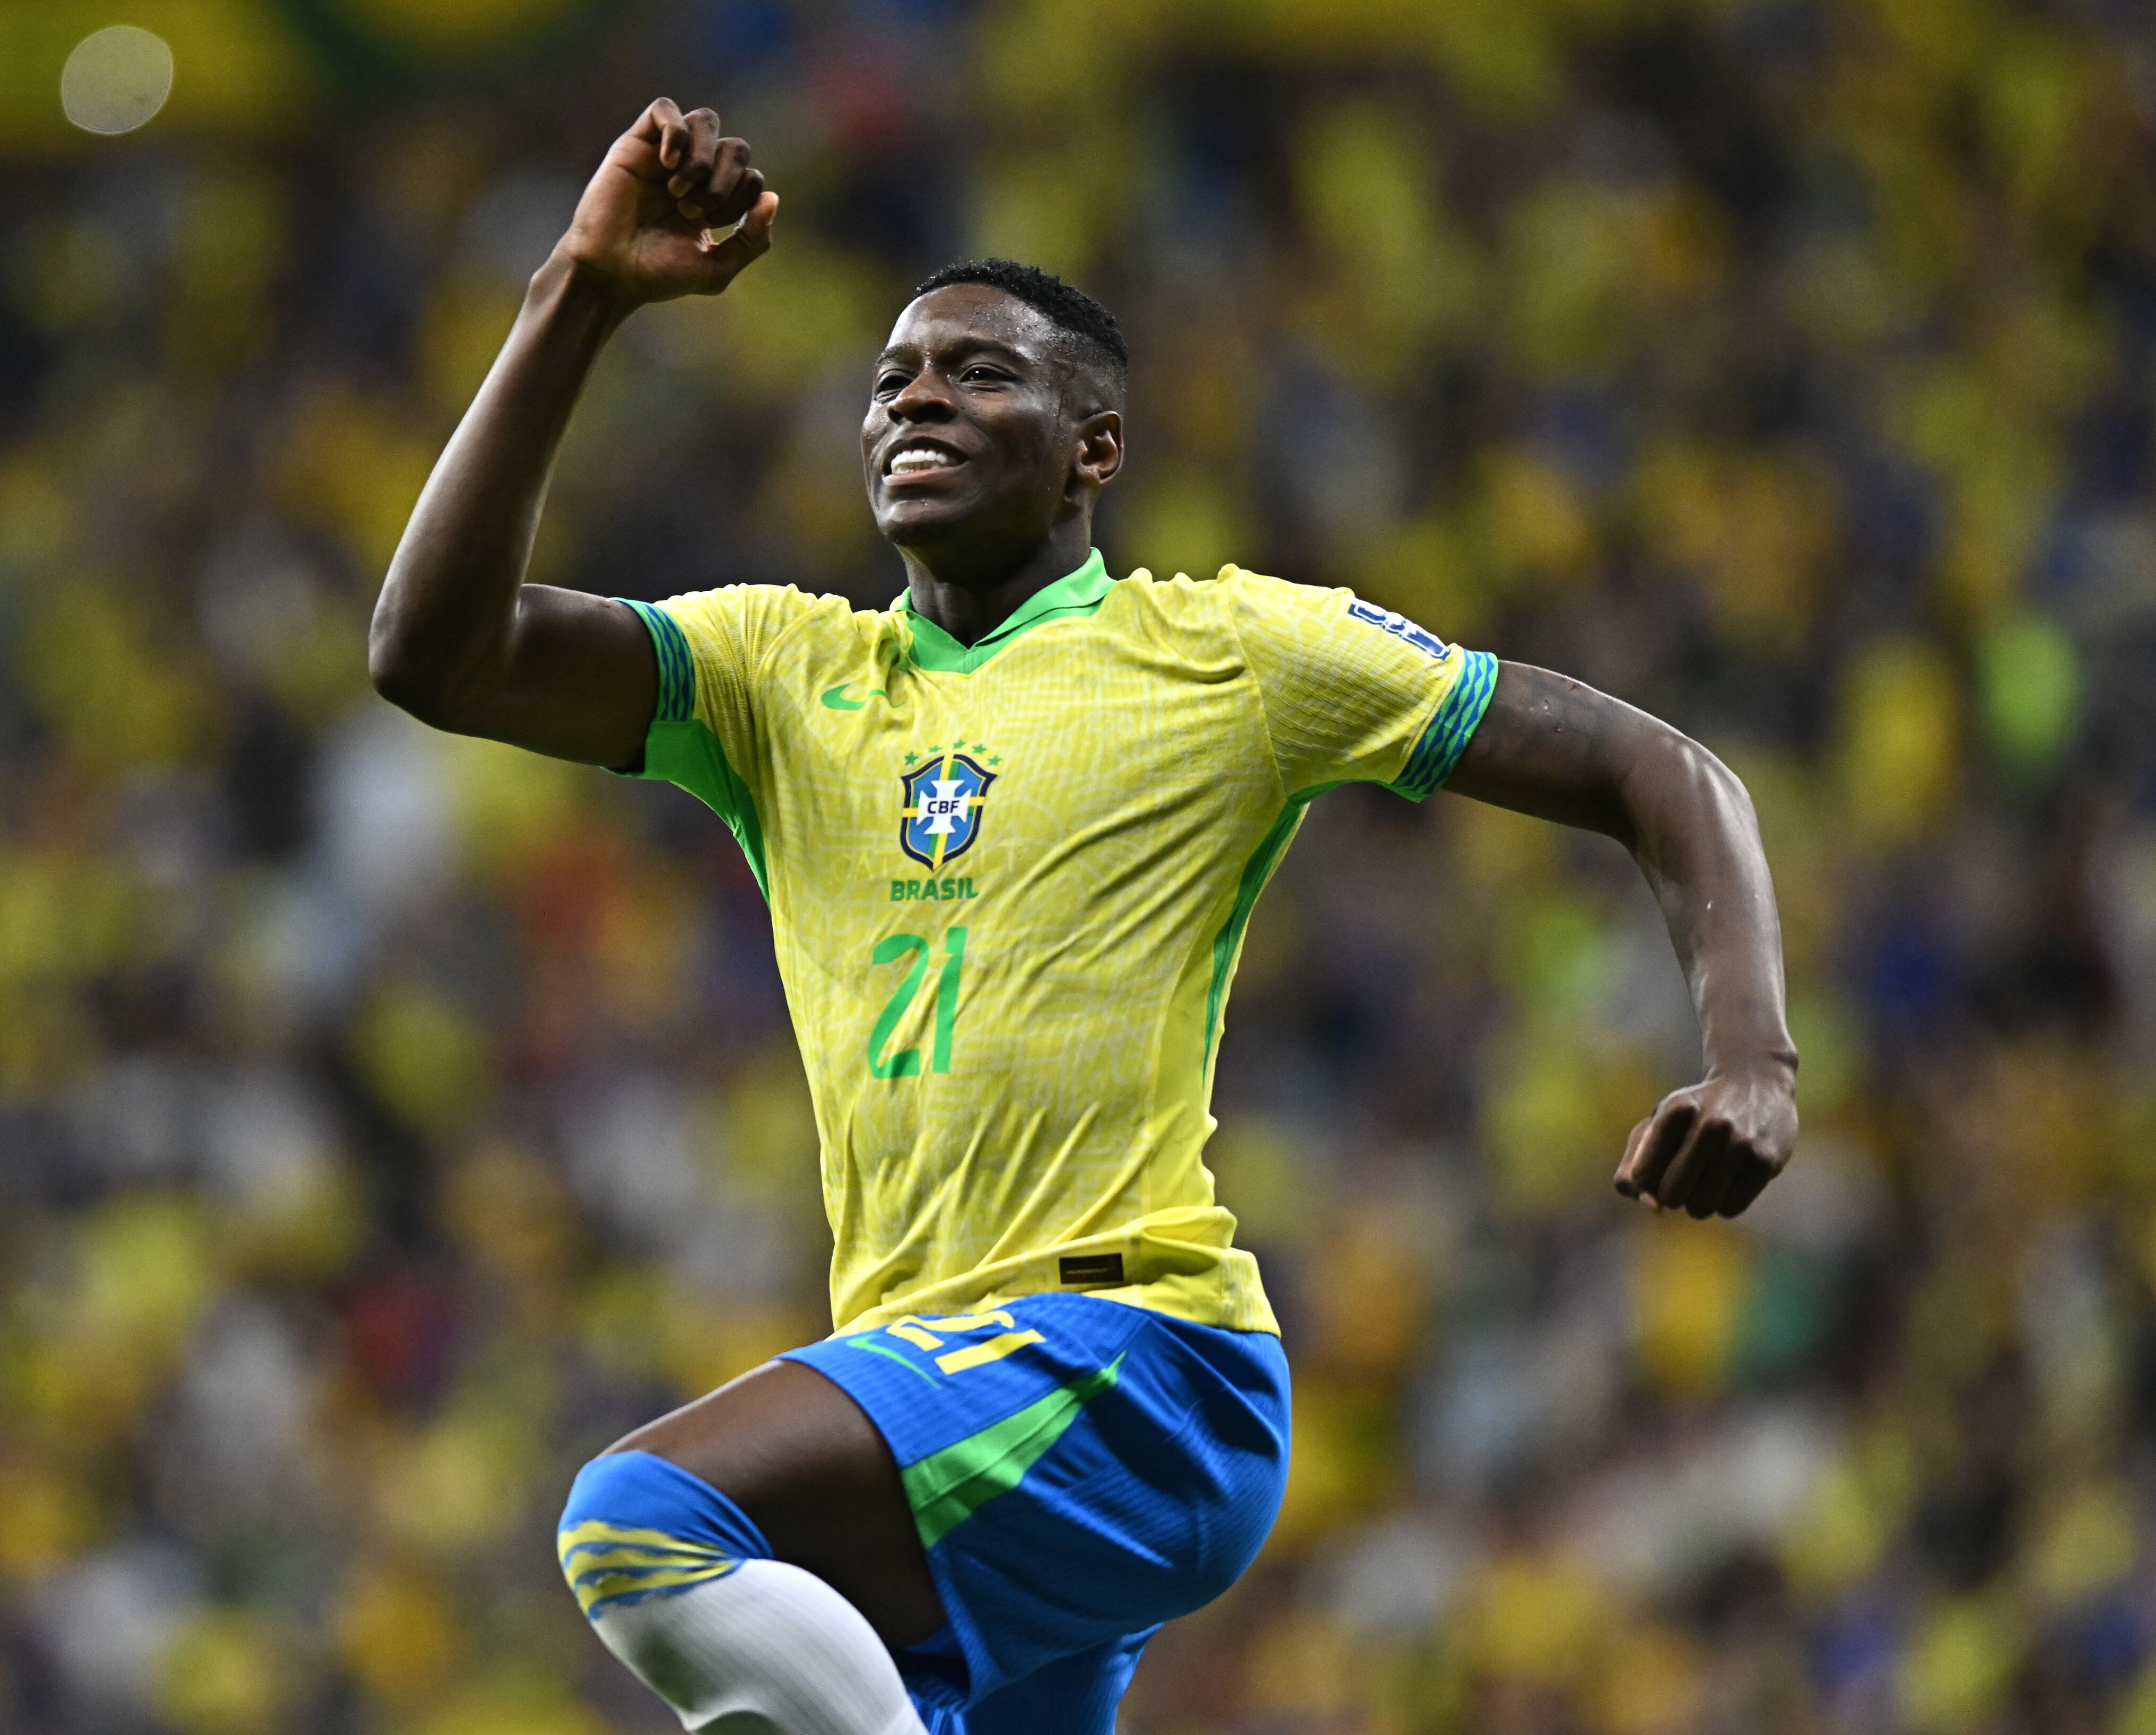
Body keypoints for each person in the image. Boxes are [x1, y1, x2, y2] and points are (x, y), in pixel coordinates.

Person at [366, 99, 1798, 1735]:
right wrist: (581, 290)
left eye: (978, 373)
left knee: (642, 1521)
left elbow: (1656, 768)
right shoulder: (779, 676)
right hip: (952, 1403)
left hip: (1132, 1364)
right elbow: (436, 655)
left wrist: (1754, 1057)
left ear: (1091, 449)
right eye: (892, 379)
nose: (915, 398)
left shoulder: (1227, 654)